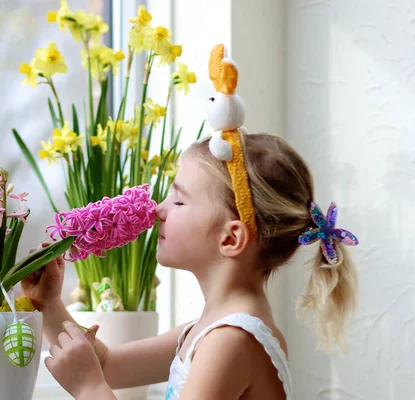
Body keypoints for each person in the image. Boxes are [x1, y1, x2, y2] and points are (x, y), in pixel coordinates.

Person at [22, 44, 359, 399]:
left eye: (179, 199)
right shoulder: (206, 331)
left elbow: (98, 376)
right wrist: (50, 305)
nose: (158, 210)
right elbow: (107, 365)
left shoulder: (231, 341)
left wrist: (89, 388)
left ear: (231, 240)